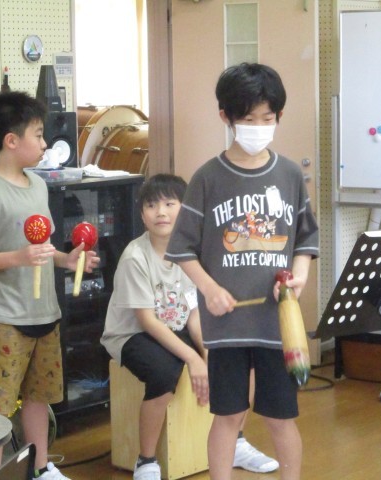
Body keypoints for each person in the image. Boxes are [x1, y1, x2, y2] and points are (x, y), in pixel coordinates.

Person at [165, 63, 319, 480]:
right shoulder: (208, 178)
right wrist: (209, 289)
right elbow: (182, 248)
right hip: (227, 326)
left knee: (281, 418)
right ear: (226, 117)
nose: (259, 128)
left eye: (267, 119)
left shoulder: (289, 174)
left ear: (279, 117)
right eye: (249, 120)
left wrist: (300, 275)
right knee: (228, 416)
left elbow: (306, 239)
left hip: (277, 324)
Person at [0, 90, 99, 480]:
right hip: (3, 316)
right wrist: (17, 257)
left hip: (44, 312)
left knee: (38, 397)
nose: (45, 143)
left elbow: (43, 249)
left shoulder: (37, 186)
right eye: (38, 135)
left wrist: (67, 260)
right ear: (11, 140)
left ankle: (40, 467)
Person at [101, 174, 279, 480]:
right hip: (133, 333)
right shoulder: (135, 257)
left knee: (237, 356)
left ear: (185, 210)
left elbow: (193, 312)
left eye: (169, 204)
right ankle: (146, 460)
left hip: (175, 326)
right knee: (164, 372)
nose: (161, 212)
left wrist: (208, 352)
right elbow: (147, 320)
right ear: (141, 214)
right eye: (151, 205)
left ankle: (236, 442)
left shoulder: (190, 253)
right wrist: (194, 358)